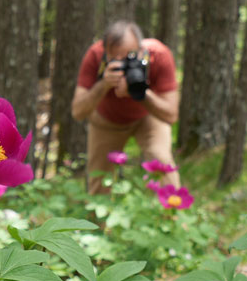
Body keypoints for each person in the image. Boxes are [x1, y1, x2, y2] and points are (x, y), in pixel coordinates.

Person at [71, 21, 180, 194]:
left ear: (141, 48)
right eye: (115, 58)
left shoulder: (159, 55)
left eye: (130, 56)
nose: (123, 64)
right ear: (105, 52)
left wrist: (141, 92)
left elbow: (171, 115)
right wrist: (104, 85)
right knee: (98, 181)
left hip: (148, 118)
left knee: (162, 161)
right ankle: (97, 220)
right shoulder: (94, 56)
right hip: (105, 121)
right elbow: (77, 112)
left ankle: (171, 214)